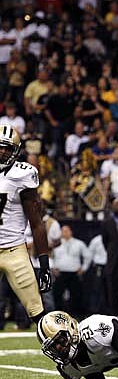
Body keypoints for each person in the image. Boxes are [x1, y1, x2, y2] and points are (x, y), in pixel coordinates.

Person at [0, 123, 52, 324]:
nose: (3, 152)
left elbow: (37, 223)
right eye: (0, 147)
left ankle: (67, 354)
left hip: (15, 251)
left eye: (7, 148)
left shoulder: (22, 174)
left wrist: (44, 265)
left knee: (38, 313)